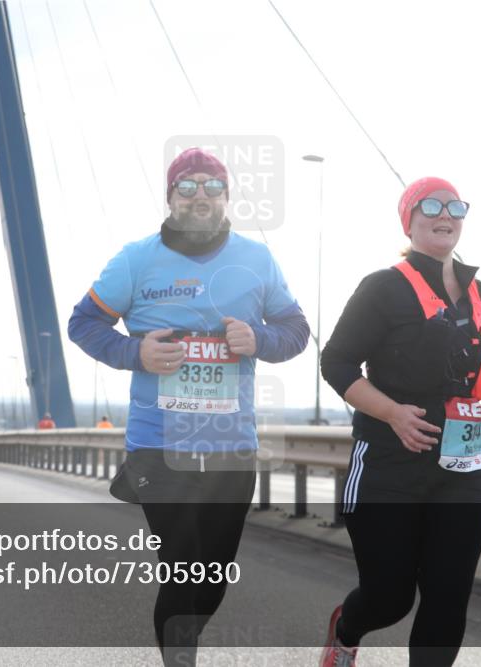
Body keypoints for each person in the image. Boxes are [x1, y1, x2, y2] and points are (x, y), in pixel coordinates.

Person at [68, 147, 309, 666]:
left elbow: (296, 332)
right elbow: (83, 323)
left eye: (213, 185)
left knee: (212, 578)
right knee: (181, 569)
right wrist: (135, 352)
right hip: (159, 445)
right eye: (188, 185)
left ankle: (183, 642)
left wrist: (259, 339)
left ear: (227, 196)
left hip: (230, 447)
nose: (201, 195)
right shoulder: (135, 259)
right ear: (171, 196)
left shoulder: (257, 259)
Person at [318, 176, 481, 667]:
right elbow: (335, 363)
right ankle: (347, 629)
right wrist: (392, 413)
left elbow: (477, 379)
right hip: (389, 465)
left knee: (447, 597)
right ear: (409, 220)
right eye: (431, 205)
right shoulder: (382, 287)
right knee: (389, 598)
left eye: (455, 207)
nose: (445, 215)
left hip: (464, 469)